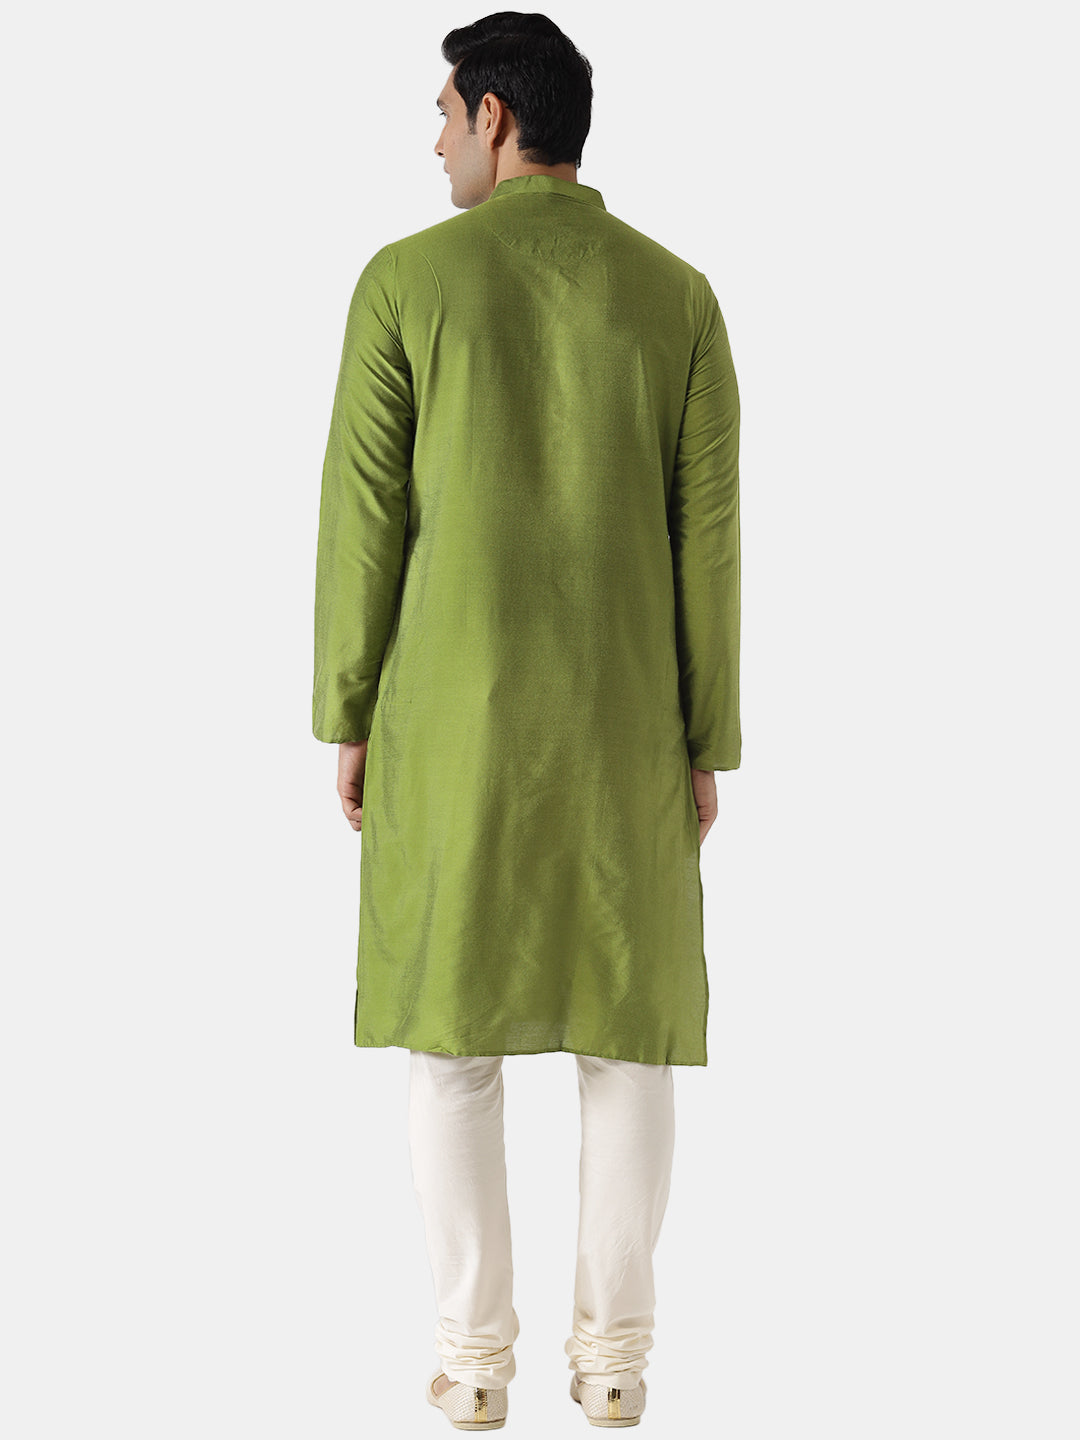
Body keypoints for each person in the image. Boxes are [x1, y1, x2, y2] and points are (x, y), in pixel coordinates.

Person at [312, 12, 741, 1430]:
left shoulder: (405, 283)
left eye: (443, 113)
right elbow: (708, 542)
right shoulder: (678, 297)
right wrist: (706, 738)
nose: (434, 139)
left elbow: (364, 523)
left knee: (454, 1040)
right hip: (627, 716)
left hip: (452, 715)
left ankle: (475, 1362)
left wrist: (348, 708)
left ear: (496, 118)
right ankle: (614, 1362)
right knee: (628, 1036)